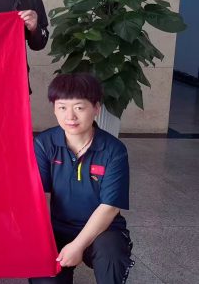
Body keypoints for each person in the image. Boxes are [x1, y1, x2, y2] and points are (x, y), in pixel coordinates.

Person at [30, 73, 133, 284]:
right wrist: (40, 240)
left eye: (79, 107)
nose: (70, 116)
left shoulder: (114, 150)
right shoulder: (43, 143)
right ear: (54, 109)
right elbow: (40, 196)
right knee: (43, 271)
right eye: (62, 107)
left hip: (103, 230)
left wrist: (77, 246)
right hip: (56, 227)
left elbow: (110, 207)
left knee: (111, 253)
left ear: (96, 108)